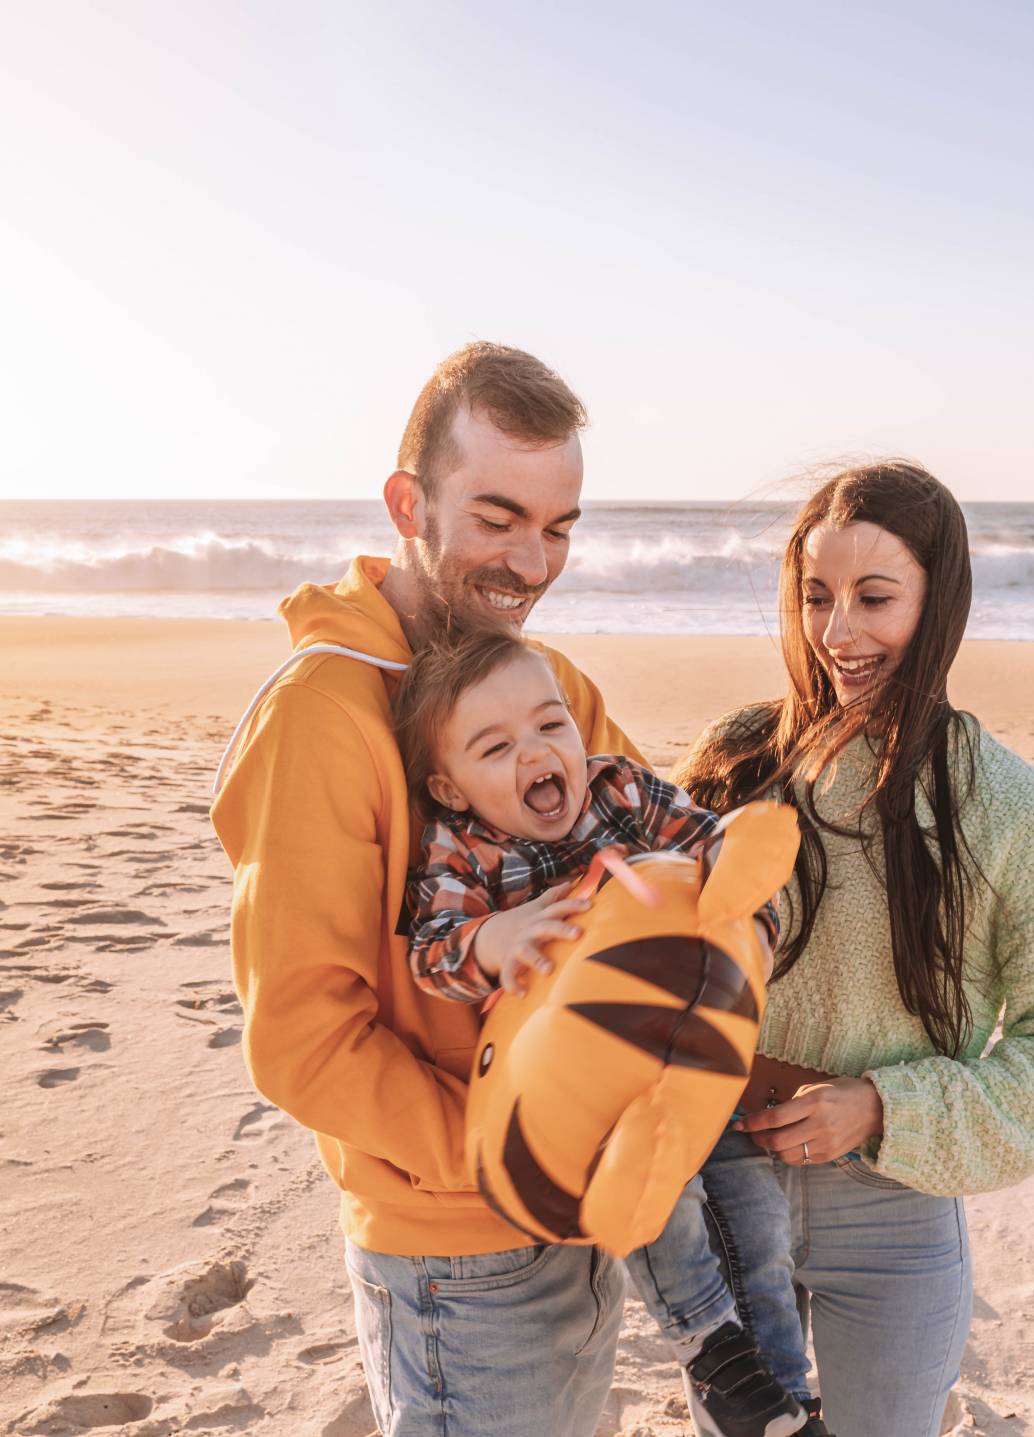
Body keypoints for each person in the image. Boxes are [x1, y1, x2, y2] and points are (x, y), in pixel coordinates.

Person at [210, 343, 641, 1437]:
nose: (533, 563)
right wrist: (504, 1156)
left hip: (588, 1207)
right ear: (410, 502)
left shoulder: (557, 689)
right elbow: (303, 1038)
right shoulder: (322, 713)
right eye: (497, 520)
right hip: (455, 1248)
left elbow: (645, 882)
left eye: (558, 528)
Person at [673, 461, 1034, 1437]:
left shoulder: (1017, 814)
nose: (839, 634)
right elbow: (645, 947)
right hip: (722, 1190)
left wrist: (882, 1106)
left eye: (875, 598)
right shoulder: (735, 762)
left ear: (938, 599)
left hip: (896, 1210)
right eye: (817, 598)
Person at [396, 628, 825, 1437]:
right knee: (662, 1195)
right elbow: (430, 951)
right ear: (449, 788)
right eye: (495, 747)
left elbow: (717, 852)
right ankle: (706, 1342)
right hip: (600, 1091)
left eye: (550, 725)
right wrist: (495, 938)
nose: (536, 754)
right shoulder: (462, 849)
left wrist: (749, 938)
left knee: (759, 1222)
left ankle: (785, 1398)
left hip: (700, 1056)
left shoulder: (618, 789)